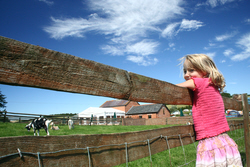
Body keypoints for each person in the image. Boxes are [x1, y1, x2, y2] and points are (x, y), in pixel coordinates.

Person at [176, 54, 242, 167]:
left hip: (209, 142)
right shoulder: (213, 85)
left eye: (191, 70)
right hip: (224, 140)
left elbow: (173, 88)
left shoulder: (198, 82)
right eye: (185, 71)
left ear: (204, 70)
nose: (186, 75)